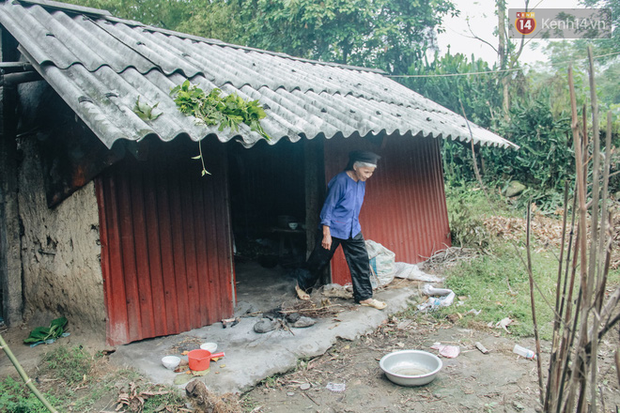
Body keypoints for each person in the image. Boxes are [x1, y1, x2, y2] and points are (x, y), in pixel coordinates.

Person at [295, 150, 387, 310]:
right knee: (319, 259)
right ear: (355, 166)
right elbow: (328, 207)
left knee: (361, 261)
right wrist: (326, 233)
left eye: (371, 173)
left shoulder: (361, 181)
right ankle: (302, 286)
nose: (368, 176)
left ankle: (364, 297)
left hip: (352, 228)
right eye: (366, 172)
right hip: (333, 228)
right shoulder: (340, 181)